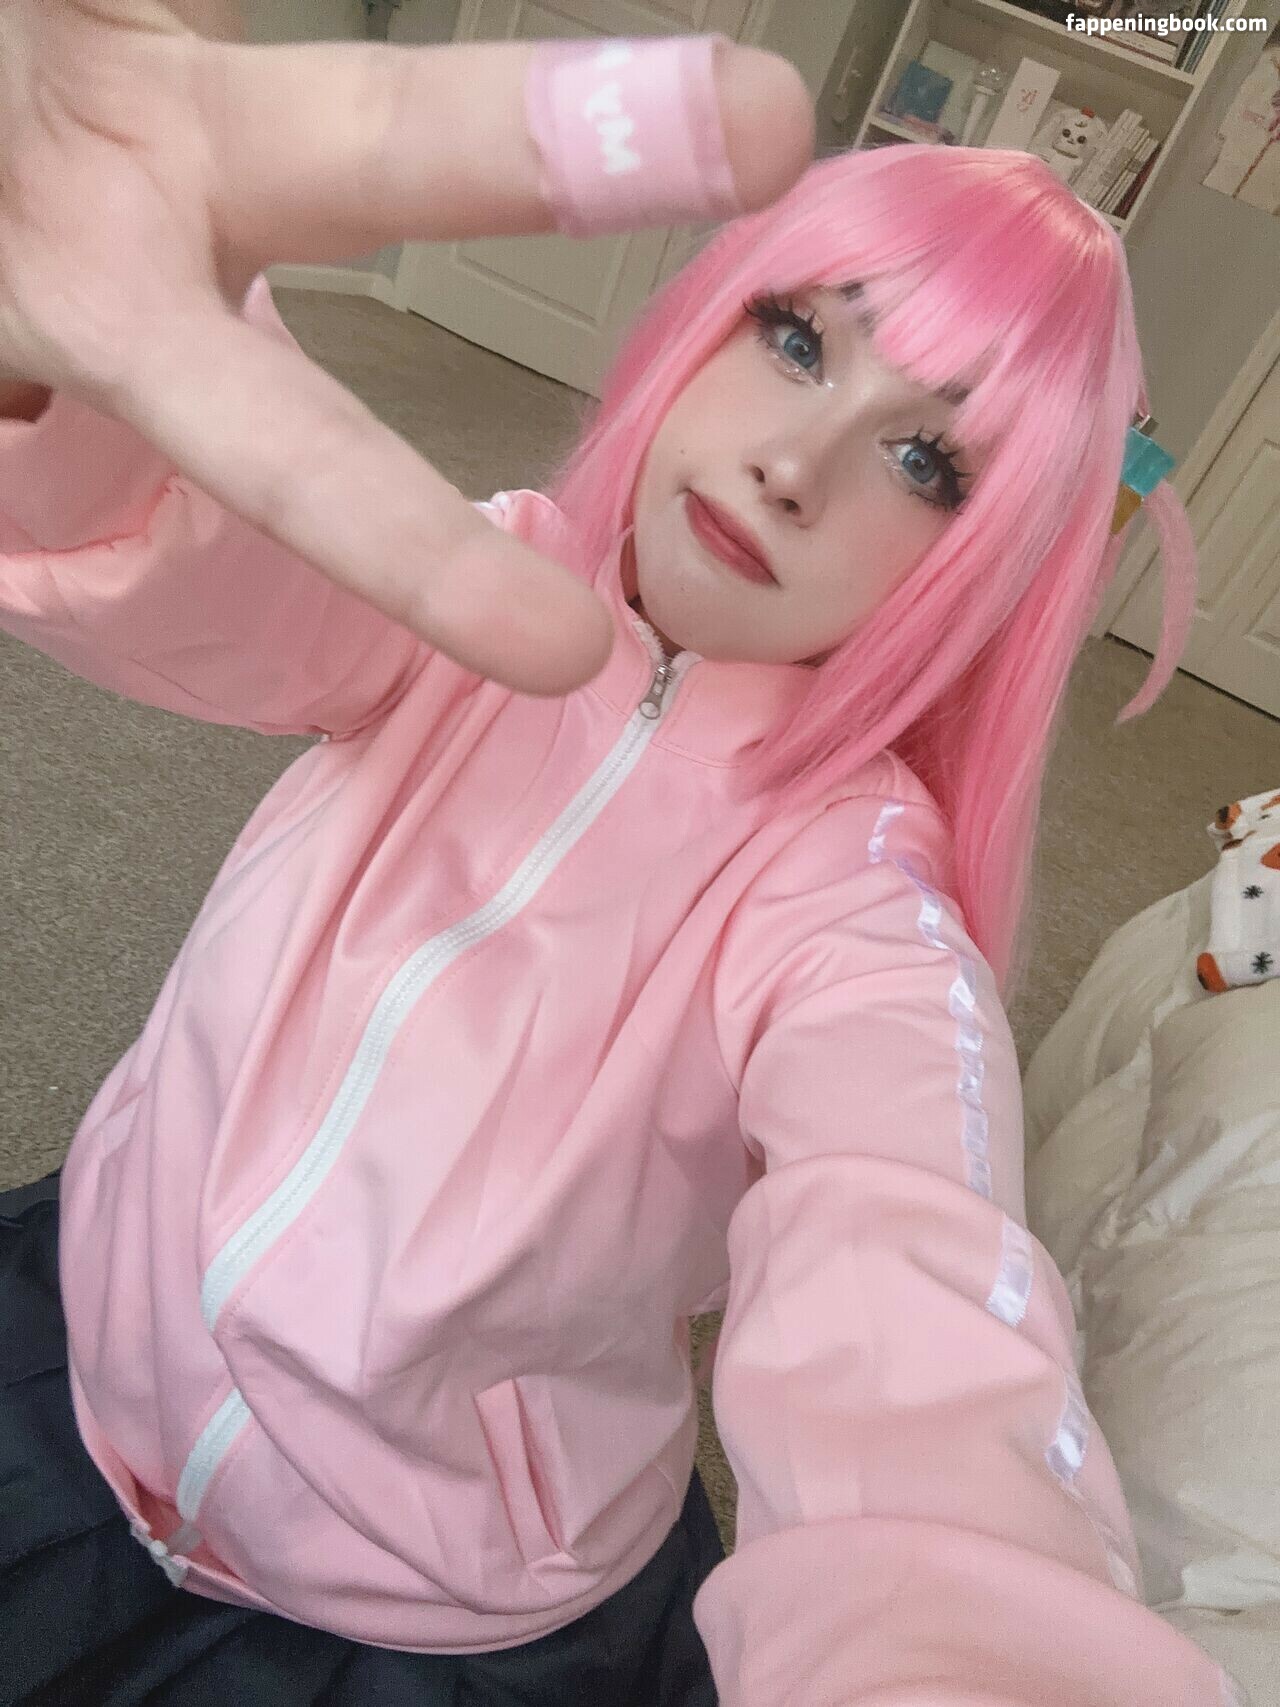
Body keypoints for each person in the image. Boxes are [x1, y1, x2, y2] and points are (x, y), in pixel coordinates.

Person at [0, 2, 1246, 1704]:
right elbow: (199, 562)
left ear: (992, 565)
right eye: (800, 339)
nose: (794, 463)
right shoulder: (482, 579)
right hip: (84, 1327)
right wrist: (64, 374)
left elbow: (910, 1279)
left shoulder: (859, 910)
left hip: (418, 1598)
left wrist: (963, 1649)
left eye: (926, 459)